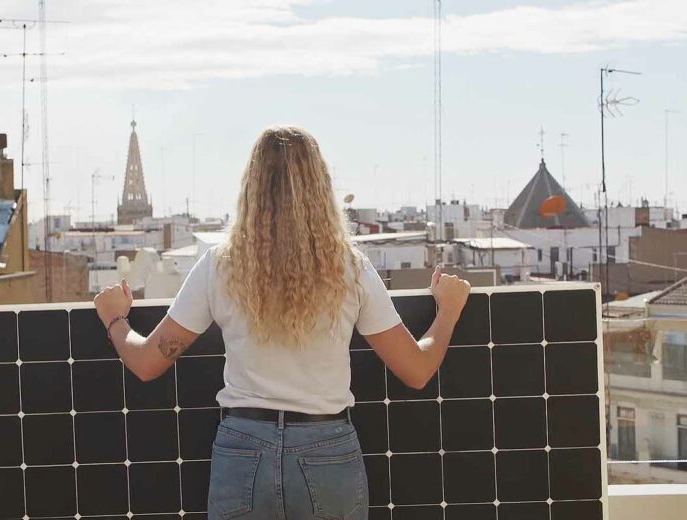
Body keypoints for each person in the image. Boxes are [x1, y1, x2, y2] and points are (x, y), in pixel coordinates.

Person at [94, 125, 470, 520]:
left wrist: (115, 317)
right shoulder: (349, 268)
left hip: (243, 450)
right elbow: (417, 369)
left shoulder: (220, 265)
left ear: (251, 187)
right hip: (327, 451)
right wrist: (448, 311)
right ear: (321, 187)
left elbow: (147, 361)